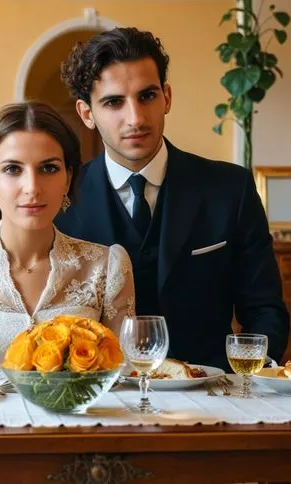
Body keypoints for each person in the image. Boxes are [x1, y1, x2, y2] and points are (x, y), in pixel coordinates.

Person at [55, 27, 290, 371]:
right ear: (87, 113)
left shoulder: (230, 188)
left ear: (166, 97)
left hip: (213, 395)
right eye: (114, 102)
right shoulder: (62, 198)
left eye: (146, 96)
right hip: (102, 400)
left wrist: (249, 382)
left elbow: (265, 308)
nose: (135, 118)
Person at [0, 101, 135, 376]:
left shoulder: (108, 266)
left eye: (48, 168)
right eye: (12, 169)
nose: (32, 188)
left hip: (78, 418)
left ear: (67, 178)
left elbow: (123, 378)